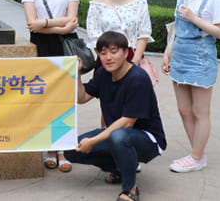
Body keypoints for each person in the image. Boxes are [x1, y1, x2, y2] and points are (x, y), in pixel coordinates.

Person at [65, 31, 167, 201]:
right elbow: (82, 98)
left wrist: (93, 141)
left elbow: (127, 123)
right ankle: (121, 167)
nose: (108, 57)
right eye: (103, 53)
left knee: (119, 137)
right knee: (71, 150)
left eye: (114, 51)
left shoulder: (138, 78)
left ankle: (130, 189)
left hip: (148, 140)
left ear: (126, 53)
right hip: (117, 135)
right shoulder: (103, 74)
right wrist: (77, 73)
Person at [161, 0, 220, 173]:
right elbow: (176, 26)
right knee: (184, 109)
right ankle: (196, 153)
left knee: (200, 111)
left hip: (201, 55)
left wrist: (194, 17)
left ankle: (196, 156)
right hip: (179, 53)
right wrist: (167, 51)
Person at [21, 0, 79, 172]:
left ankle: (64, 150)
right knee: (45, 97)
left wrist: (45, 24)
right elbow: (31, 24)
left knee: (65, 98)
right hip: (42, 46)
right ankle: (49, 148)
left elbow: (73, 18)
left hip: (65, 45)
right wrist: (60, 26)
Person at [86, 0, 156, 83]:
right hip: (108, 61)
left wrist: (134, 63)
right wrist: (108, 58)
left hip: (133, 57)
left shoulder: (138, 0)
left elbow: (144, 33)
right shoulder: (97, 3)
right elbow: (94, 36)